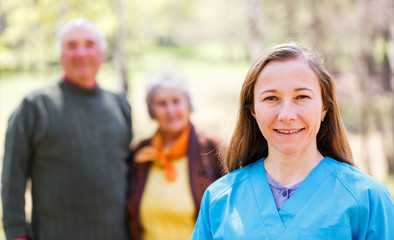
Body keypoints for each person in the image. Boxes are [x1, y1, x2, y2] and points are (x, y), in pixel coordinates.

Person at [191, 43, 394, 239]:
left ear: (325, 107)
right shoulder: (219, 201)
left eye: (302, 97)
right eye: (271, 98)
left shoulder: (368, 200)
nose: (286, 115)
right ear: (253, 109)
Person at [1, 18, 132, 240]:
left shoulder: (120, 105)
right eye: (71, 46)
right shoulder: (36, 107)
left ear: (102, 53)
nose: (81, 53)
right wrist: (16, 233)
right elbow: (12, 178)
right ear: (61, 55)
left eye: (89, 44)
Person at [127, 72, 223, 240]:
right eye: (161, 104)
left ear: (188, 105)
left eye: (176, 101)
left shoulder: (210, 148)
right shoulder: (142, 152)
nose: (170, 110)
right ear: (152, 111)